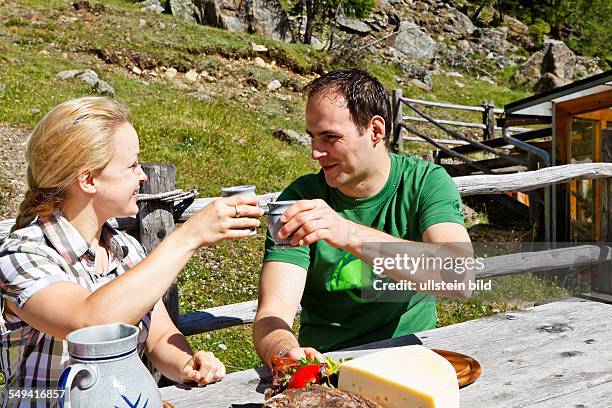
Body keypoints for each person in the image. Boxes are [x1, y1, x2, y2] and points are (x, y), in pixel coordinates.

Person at [0, 97, 264, 407]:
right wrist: (189, 237)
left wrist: (184, 363)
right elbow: (88, 322)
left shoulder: (126, 249)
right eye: (132, 164)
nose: (142, 176)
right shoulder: (23, 254)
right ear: (88, 179)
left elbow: (158, 334)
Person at [253, 69, 473, 366]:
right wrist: (284, 352)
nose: (316, 153)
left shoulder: (425, 182)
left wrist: (348, 233)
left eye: (330, 137)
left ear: (375, 131)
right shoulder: (298, 201)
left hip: (411, 358)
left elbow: (458, 276)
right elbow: (272, 313)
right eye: (312, 137)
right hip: (329, 365)